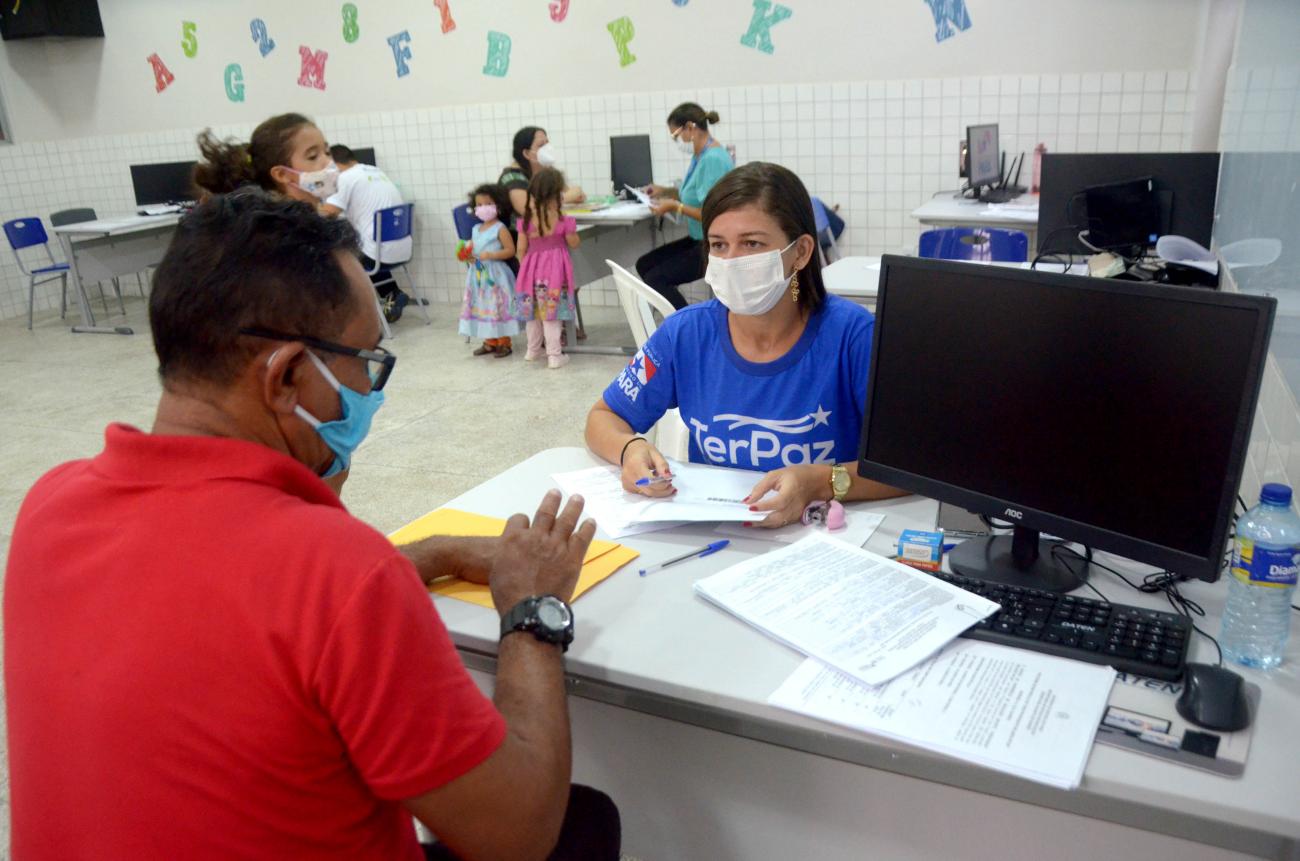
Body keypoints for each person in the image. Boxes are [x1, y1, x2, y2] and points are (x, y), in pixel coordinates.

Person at [4, 189, 621, 861]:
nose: (370, 389)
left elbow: (231, 602)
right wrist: (533, 608)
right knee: (581, 823)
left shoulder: (50, 506)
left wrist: (434, 550)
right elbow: (518, 834)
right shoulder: (338, 570)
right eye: (364, 360)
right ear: (288, 376)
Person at [586, 162, 903, 527]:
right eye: (719, 245)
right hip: (717, 539)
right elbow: (603, 417)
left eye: (752, 243)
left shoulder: (855, 337)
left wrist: (823, 482)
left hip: (824, 541)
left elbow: (913, 464)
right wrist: (630, 449)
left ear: (800, 253)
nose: (731, 261)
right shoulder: (683, 335)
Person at [634, 103, 734, 310]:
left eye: (676, 136)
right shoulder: (700, 156)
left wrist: (674, 207)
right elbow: (693, 195)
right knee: (644, 265)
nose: (678, 142)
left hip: (713, 245)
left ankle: (686, 325)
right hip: (698, 239)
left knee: (656, 278)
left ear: (690, 128)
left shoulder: (713, 159)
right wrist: (663, 191)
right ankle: (676, 321)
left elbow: (711, 213)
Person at [322, 144, 415, 324]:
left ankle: (351, 315)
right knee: (365, 245)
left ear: (333, 165)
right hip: (400, 250)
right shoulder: (375, 171)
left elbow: (327, 213)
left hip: (377, 255)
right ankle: (392, 294)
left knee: (336, 258)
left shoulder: (345, 178)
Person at [192, 112, 339, 207]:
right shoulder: (283, 233)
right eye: (313, 156)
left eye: (327, 152)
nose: (328, 162)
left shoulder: (316, 219)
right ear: (281, 174)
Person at [516, 168, 580, 370]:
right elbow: (574, 243)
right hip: (554, 274)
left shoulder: (526, 221)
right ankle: (554, 355)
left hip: (530, 272)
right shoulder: (563, 220)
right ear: (556, 195)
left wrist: (524, 270)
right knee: (551, 313)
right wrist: (571, 231)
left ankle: (532, 351)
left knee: (533, 313)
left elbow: (521, 249)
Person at [459, 183, 519, 357]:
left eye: (487, 204)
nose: (482, 208)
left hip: (496, 275)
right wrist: (468, 256)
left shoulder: (500, 228)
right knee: (484, 306)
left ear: (498, 206)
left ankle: (504, 342)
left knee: (498, 306)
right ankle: (489, 341)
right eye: (479, 205)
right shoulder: (476, 229)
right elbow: (473, 249)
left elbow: (510, 250)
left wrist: (491, 254)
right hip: (478, 275)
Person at [499, 126, 586, 223]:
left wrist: (575, 194)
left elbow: (575, 195)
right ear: (527, 153)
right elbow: (530, 211)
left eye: (547, 143)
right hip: (519, 236)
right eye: (541, 145)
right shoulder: (512, 179)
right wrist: (566, 197)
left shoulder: (544, 170)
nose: (547, 148)